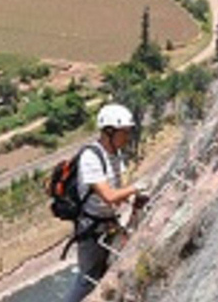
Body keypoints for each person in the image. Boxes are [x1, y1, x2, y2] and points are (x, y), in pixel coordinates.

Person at [64, 103, 145, 302]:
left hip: (107, 222)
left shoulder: (115, 155)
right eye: (124, 133)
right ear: (109, 132)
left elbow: (117, 194)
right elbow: (108, 196)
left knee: (106, 270)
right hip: (91, 228)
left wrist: (133, 198)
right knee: (88, 279)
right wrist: (136, 188)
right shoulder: (91, 157)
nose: (127, 137)